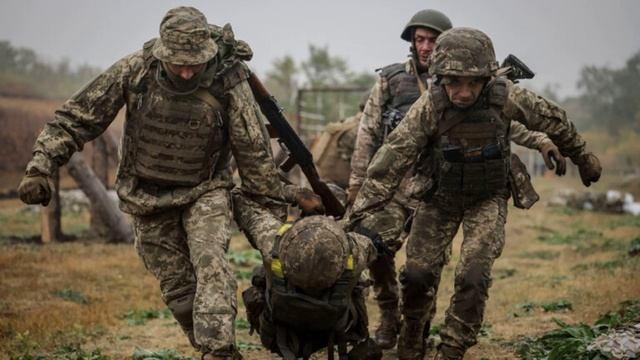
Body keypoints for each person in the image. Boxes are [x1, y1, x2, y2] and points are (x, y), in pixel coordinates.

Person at [16, 7, 286, 359]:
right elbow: (76, 118)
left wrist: (271, 219)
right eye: (178, 64)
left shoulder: (227, 80)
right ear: (162, 54)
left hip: (205, 191)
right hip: (146, 197)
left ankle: (217, 353)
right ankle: (221, 349)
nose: (187, 72)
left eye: (195, 63)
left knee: (211, 264)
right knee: (179, 290)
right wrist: (40, 166)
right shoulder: (136, 70)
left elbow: (254, 152)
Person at [349, 27, 602, 360]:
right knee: (416, 274)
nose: (464, 93)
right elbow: (391, 159)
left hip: (487, 197)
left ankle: (452, 347)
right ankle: (412, 333)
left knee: (473, 274)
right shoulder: (430, 106)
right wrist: (357, 216)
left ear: (486, 78)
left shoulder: (505, 95)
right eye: (454, 82)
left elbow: (553, 120)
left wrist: (583, 157)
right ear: (440, 78)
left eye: (472, 83)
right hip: (439, 198)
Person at [232, 186, 383, 360]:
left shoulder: (273, 245)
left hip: (280, 334)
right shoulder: (354, 252)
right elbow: (372, 244)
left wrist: (295, 194)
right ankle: (359, 338)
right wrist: (342, 225)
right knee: (359, 280)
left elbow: (240, 196)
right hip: (335, 330)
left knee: (261, 273)